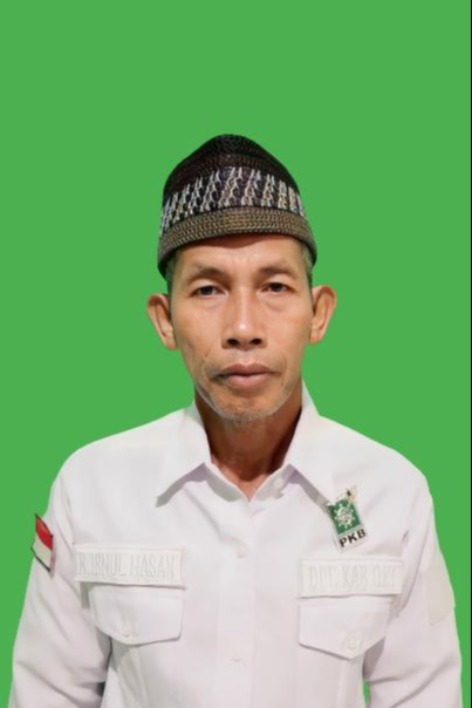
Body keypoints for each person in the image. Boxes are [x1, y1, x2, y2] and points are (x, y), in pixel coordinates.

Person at [9, 134, 463, 708]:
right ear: (164, 320)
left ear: (318, 313)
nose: (243, 327)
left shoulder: (393, 494)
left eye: (275, 286)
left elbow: (423, 696)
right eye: (208, 289)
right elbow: (48, 694)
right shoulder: (92, 488)